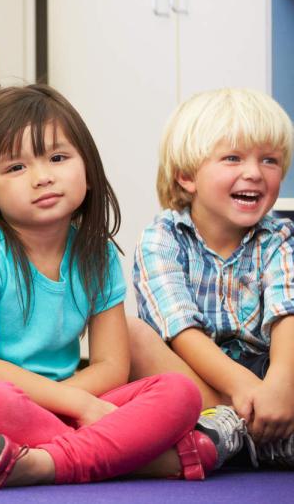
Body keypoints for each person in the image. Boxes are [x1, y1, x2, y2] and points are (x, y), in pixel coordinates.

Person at [0, 84, 223, 489]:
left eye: (57, 158)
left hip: (71, 404)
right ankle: (132, 459)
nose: (42, 177)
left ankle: (51, 462)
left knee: (180, 392)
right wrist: (76, 405)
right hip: (3, 413)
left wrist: (70, 402)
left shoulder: (97, 254)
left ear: (86, 170)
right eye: (16, 168)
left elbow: (111, 365)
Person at [130, 87, 294, 469]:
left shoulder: (278, 238)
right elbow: (181, 331)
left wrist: (281, 387)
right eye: (233, 158)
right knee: (130, 335)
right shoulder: (162, 238)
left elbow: (287, 313)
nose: (254, 172)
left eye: (269, 160)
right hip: (204, 387)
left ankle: (242, 435)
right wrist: (247, 392)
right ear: (187, 176)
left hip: (272, 385)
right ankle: (250, 431)